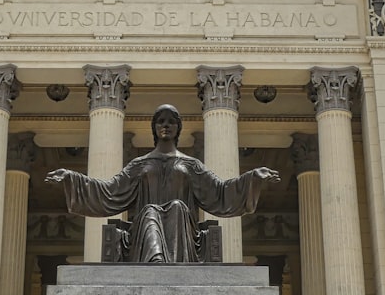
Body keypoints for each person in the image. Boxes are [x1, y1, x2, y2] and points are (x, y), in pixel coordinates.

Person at [46, 104, 280, 263]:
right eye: (160, 121)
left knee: (178, 206)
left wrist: (252, 178)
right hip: (143, 231)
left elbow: (220, 192)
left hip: (183, 232)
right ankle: (155, 261)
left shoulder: (191, 165)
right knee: (149, 211)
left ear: (178, 128)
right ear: (154, 128)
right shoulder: (140, 164)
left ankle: (168, 266)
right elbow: (109, 192)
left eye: (170, 122)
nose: (165, 125)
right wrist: (72, 178)